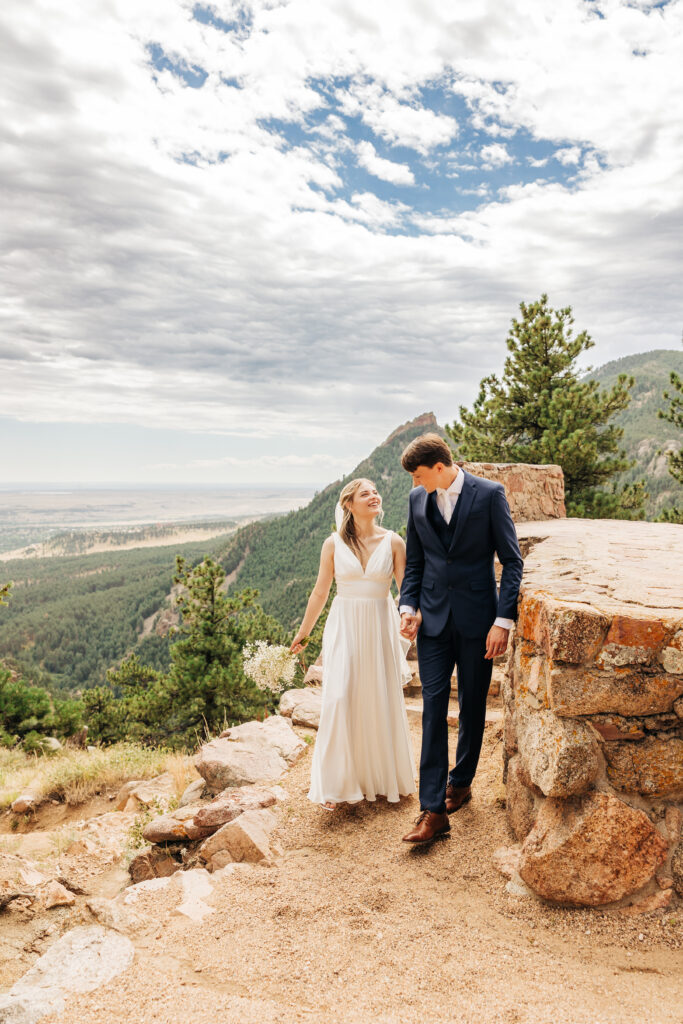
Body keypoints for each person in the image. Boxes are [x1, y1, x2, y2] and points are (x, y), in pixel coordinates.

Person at [398, 434, 523, 845]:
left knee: (472, 703)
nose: (415, 484)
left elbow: (511, 559)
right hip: (432, 621)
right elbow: (415, 562)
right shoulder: (418, 501)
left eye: (418, 475)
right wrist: (408, 608)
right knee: (434, 706)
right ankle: (431, 810)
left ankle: (462, 781)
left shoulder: (489, 495)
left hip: (478, 620)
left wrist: (502, 621)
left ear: (438, 466)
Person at [291, 478, 416, 811]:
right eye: (365, 493)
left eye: (375, 492)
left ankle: (378, 779)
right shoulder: (332, 545)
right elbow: (320, 592)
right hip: (345, 626)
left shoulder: (394, 542)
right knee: (340, 696)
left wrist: (410, 616)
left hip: (379, 625)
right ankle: (336, 783)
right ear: (348, 503)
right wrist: (303, 633)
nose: (374, 496)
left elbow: (406, 590)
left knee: (378, 696)